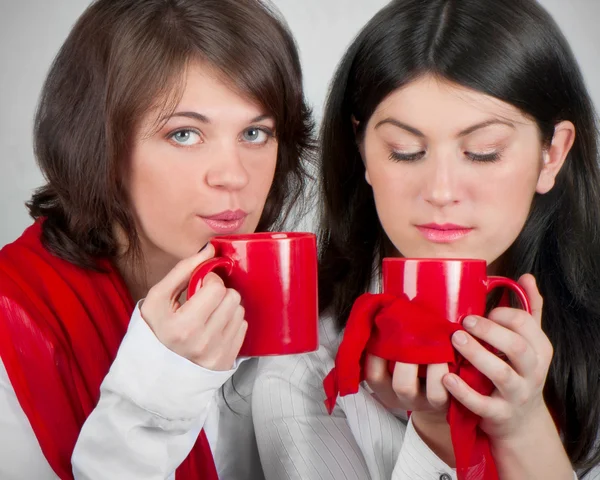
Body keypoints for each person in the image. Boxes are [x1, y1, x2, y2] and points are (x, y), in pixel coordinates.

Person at [252, 0, 600, 478]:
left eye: (482, 153)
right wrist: (437, 435)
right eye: (406, 152)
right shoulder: (305, 374)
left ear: (552, 155)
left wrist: (524, 427)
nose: (440, 192)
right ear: (363, 152)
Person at [0, 0, 314, 479]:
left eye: (255, 132)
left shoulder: (308, 312)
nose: (234, 176)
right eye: (184, 134)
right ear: (100, 146)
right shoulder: (14, 326)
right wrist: (155, 398)